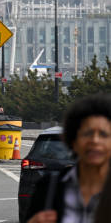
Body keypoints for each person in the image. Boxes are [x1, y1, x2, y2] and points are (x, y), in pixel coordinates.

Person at [26, 93, 111, 223]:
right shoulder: (49, 187)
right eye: (87, 133)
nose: (95, 140)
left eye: (103, 134)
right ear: (73, 141)